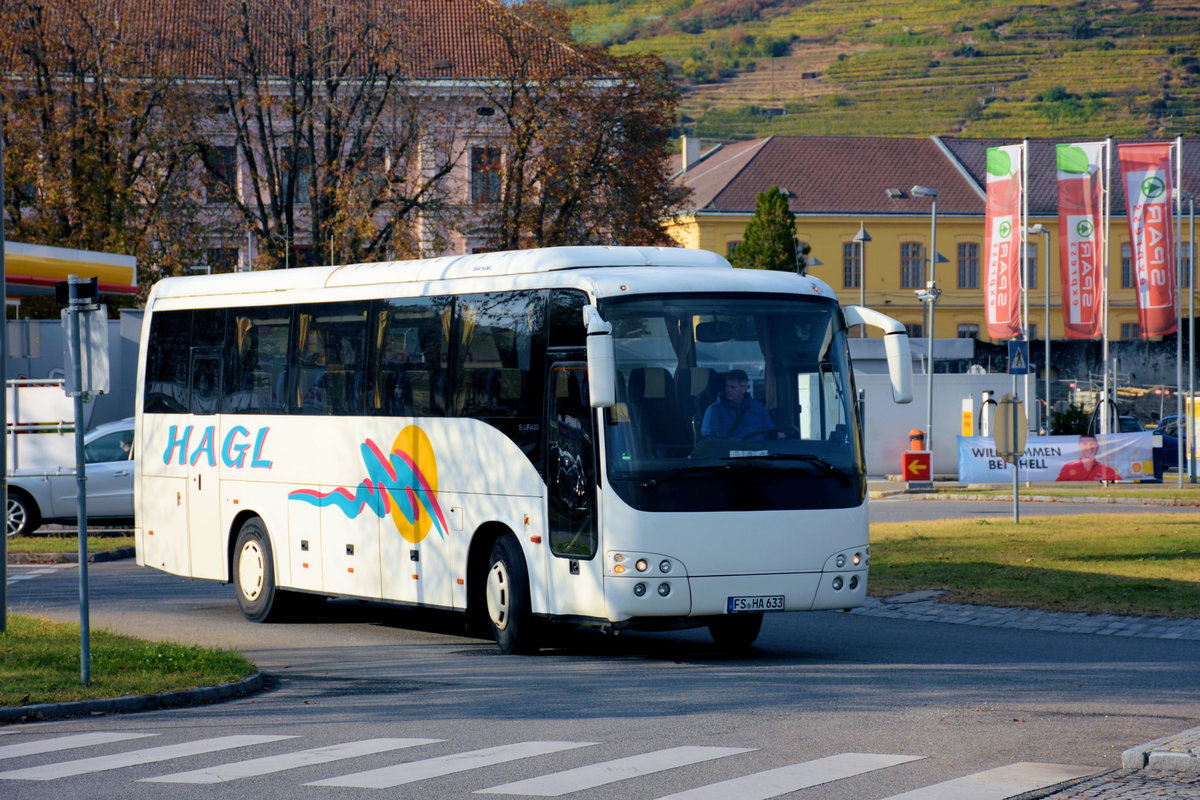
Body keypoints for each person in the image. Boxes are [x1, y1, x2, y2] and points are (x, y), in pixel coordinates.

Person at [700, 369, 776, 440]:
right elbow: (710, 439)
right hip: (730, 451)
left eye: (733, 387)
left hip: (760, 450)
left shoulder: (758, 407)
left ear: (744, 389)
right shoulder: (714, 409)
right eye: (727, 386)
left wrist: (777, 435)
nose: (728, 390)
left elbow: (769, 431)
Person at [1056, 434, 1121, 481]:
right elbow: (1057, 487)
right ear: (1079, 446)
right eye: (1085, 444)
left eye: (1092, 444)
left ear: (1097, 446)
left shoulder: (1106, 470)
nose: (1089, 447)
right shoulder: (1068, 467)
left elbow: (1121, 485)